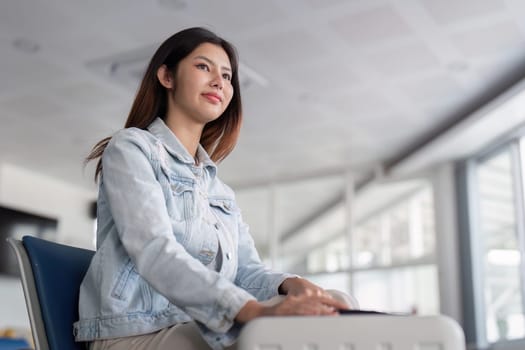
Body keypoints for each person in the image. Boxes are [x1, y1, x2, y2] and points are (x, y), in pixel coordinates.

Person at [75, 27, 351, 350]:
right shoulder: (131, 149)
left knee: (336, 303)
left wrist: (291, 285)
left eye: (227, 75)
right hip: (134, 331)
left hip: (196, 326)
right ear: (166, 76)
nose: (219, 81)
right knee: (267, 340)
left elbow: (246, 272)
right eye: (203, 67)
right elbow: (154, 250)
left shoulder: (218, 190)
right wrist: (248, 310)